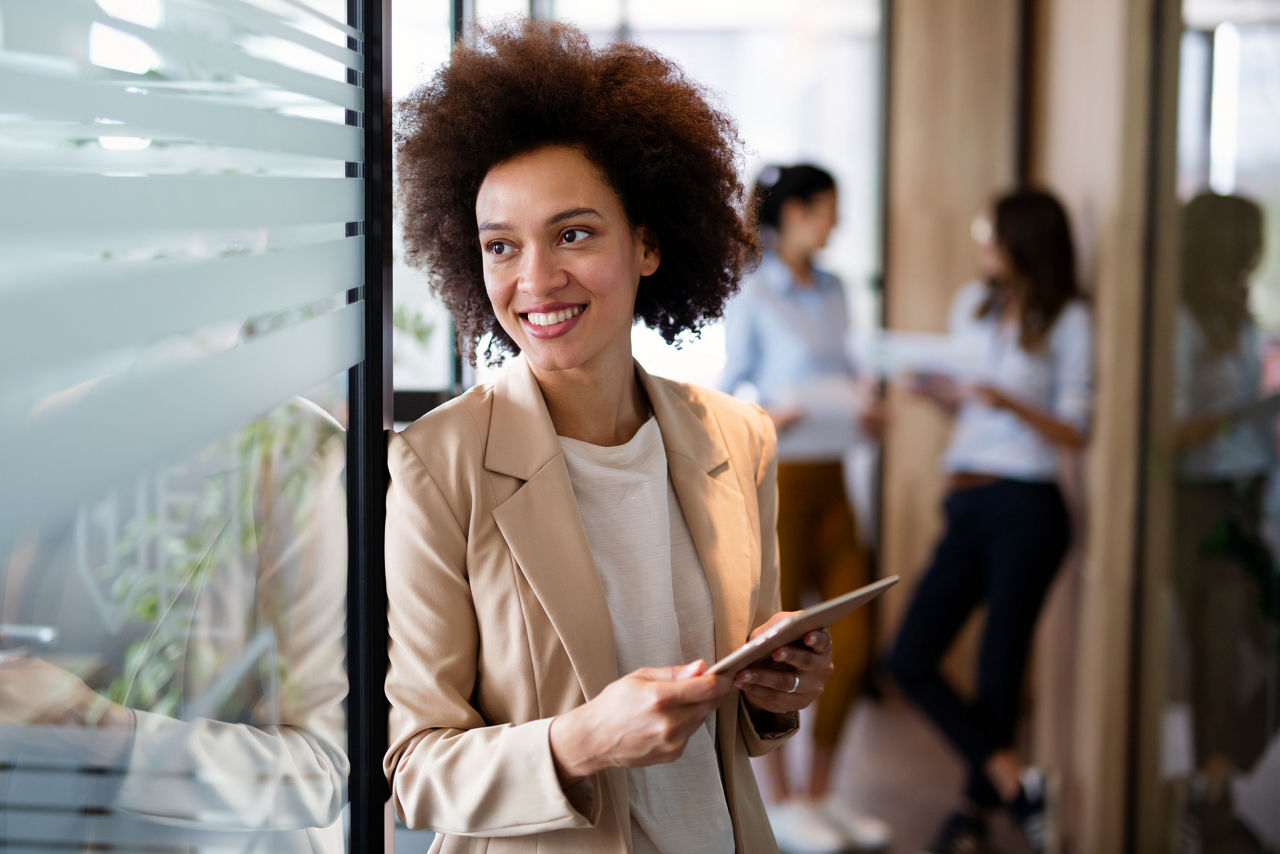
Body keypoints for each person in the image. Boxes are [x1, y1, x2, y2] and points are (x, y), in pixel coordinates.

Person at [384, 20, 841, 853]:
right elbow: (417, 769)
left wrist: (777, 694)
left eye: (574, 233)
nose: (536, 280)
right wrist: (582, 741)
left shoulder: (738, 439)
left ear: (649, 242)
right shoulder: (436, 465)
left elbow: (735, 726)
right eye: (501, 246)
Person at [886, 188, 1092, 854]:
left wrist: (1005, 398)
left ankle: (972, 815)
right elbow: (972, 413)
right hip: (967, 500)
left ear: (1024, 239)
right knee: (909, 656)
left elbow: (1073, 430)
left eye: (991, 233)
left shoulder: (1069, 320)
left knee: (1000, 669)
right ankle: (1015, 785)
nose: (981, 244)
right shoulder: (973, 309)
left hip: (1028, 505)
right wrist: (943, 396)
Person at [721, 163, 890, 853]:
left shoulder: (836, 291)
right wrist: (776, 416)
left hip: (838, 474)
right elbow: (728, 396)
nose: (836, 223)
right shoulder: (754, 293)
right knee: (783, 638)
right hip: (782, 477)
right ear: (793, 214)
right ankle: (785, 801)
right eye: (827, 209)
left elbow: (848, 371)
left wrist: (867, 406)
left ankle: (823, 792)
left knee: (853, 639)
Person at [1171, 191, 1278, 853]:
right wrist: (1246, 410)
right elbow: (1171, 430)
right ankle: (1211, 797)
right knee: (1218, 653)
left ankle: (1213, 784)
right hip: (1202, 502)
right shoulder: (1180, 323)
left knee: (1246, 653)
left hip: (1246, 496)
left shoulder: (1237, 313)